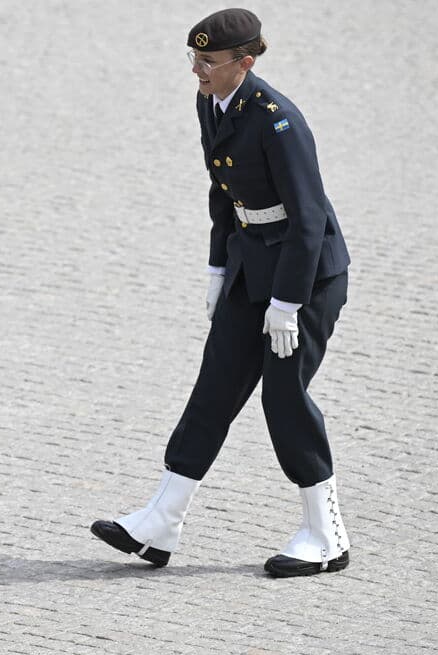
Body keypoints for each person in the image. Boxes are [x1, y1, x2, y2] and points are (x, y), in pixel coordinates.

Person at [90, 8, 352, 578]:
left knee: (283, 397)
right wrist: (217, 268)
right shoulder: (212, 101)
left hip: (306, 277)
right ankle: (162, 521)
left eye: (208, 61)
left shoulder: (279, 121)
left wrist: (287, 303)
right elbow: (223, 190)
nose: (197, 70)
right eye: (194, 58)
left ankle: (326, 534)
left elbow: (308, 219)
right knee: (214, 389)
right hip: (249, 264)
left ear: (245, 62)